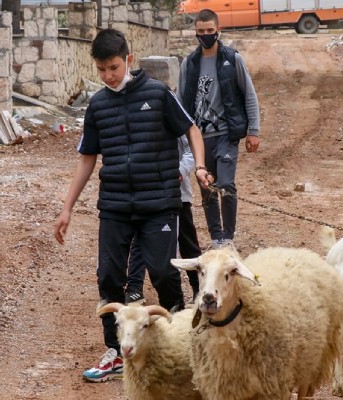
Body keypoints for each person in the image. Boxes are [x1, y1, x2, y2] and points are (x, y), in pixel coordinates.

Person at [53, 28, 210, 383]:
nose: (108, 76)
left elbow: (192, 130)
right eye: (101, 70)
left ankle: (179, 341)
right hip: (115, 205)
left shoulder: (157, 94)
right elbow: (86, 159)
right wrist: (66, 209)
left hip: (159, 203)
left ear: (128, 60)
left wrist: (199, 167)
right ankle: (115, 350)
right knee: (109, 276)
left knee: (164, 271)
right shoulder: (97, 105)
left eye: (113, 67)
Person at [177, 8, 261, 249]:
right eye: (201, 31)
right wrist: (181, 137)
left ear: (218, 31)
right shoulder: (189, 64)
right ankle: (216, 239)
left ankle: (229, 236)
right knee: (208, 187)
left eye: (210, 31)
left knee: (225, 183)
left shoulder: (231, 59)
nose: (206, 35)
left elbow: (249, 95)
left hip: (226, 134)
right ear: (195, 33)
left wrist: (253, 130)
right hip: (200, 138)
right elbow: (181, 102)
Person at [127, 136, 201, 304]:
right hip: (147, 195)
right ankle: (134, 288)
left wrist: (180, 171)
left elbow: (192, 148)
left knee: (187, 242)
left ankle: (199, 287)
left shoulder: (175, 115)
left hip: (178, 195)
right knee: (140, 239)